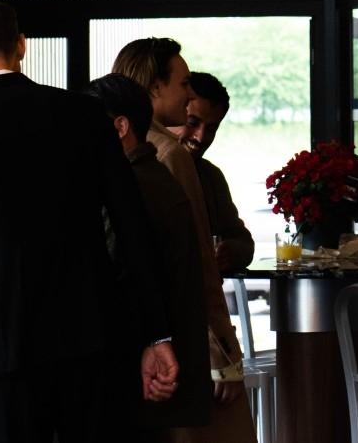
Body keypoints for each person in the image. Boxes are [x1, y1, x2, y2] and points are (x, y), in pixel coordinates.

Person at [0, 0, 178, 443]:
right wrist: (156, 335)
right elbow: (133, 230)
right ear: (21, 46)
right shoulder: (86, 117)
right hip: (92, 340)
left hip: (0, 347)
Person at [112, 39, 254, 443]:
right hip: (184, 337)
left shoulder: (114, 148)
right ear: (154, 87)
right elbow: (196, 265)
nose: (189, 94)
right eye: (183, 83)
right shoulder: (168, 153)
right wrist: (222, 351)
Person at [85, 74, 212, 439]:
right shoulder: (153, 176)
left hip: (137, 370)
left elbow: (119, 275)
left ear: (120, 126)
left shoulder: (131, 186)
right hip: (153, 366)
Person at [168, 72, 255, 275]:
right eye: (192, 123)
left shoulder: (211, 176)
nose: (200, 136)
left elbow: (243, 241)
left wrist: (232, 250)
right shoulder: (149, 170)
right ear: (173, 113)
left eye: (211, 128)